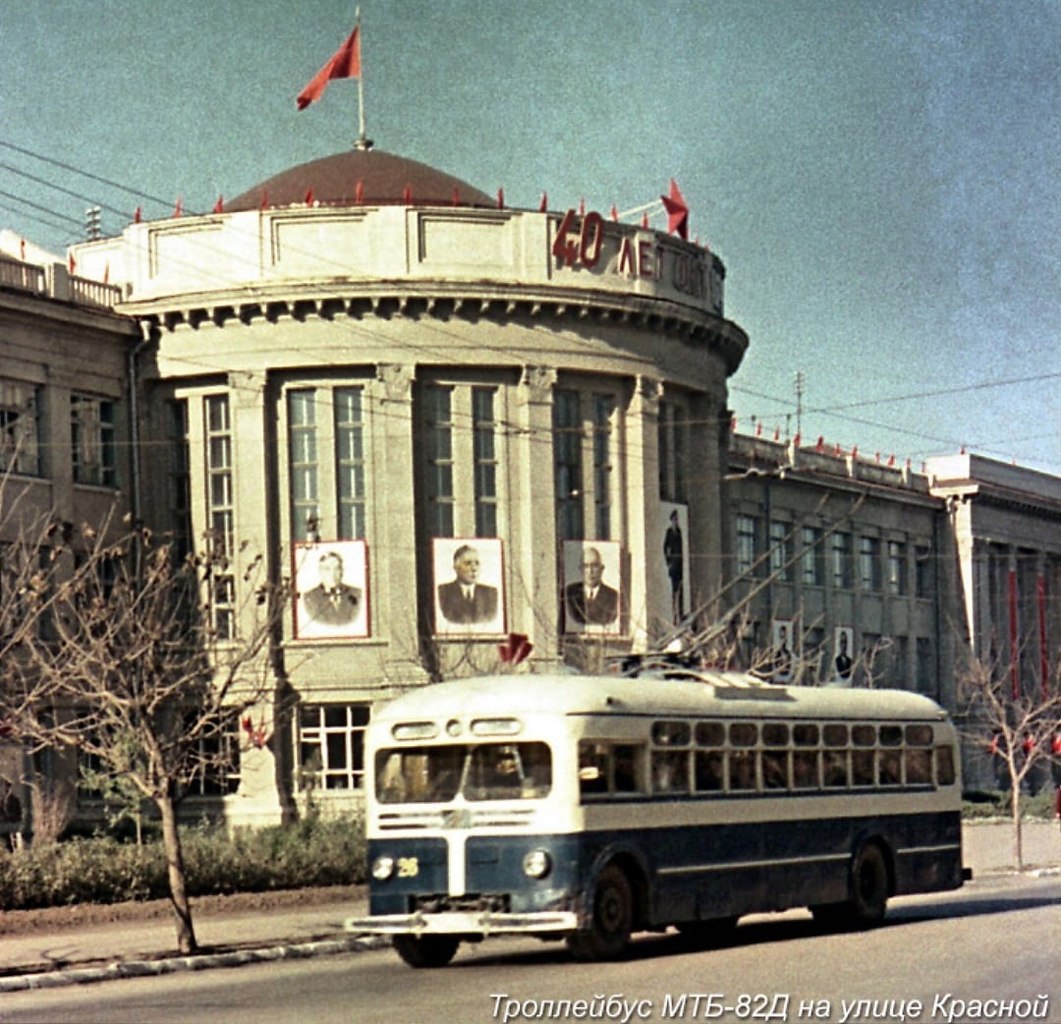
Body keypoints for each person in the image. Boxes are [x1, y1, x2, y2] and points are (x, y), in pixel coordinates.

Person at [436, 544, 499, 625]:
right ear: (456, 567)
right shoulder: (443, 592)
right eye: (468, 563)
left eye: (477, 563)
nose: (474, 568)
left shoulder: (491, 593)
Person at [300, 550, 362, 628]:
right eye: (327, 569)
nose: (332, 574)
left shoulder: (357, 594)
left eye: (337, 568)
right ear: (320, 572)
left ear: (342, 571)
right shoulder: (309, 598)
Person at [565, 547, 619, 626]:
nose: (590, 571)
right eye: (586, 566)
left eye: (594, 566)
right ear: (581, 569)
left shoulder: (613, 596)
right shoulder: (570, 592)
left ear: (602, 569)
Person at [663, 510, 684, 623]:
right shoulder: (669, 532)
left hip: (679, 565)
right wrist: (668, 561)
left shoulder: (679, 531)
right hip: (673, 565)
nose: (676, 522)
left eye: (677, 520)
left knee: (680, 589)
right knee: (674, 590)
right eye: (674, 520)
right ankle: (674, 614)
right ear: (671, 521)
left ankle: (679, 613)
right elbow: (665, 547)